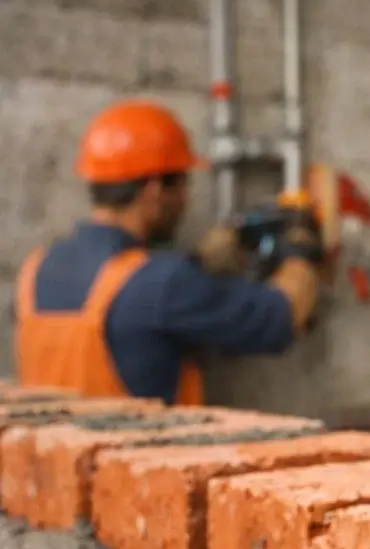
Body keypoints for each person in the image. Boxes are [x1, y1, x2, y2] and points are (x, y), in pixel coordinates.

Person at [13, 100, 322, 405]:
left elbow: (130, 303)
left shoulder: (36, 268)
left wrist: (198, 261)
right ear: (155, 190)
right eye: (182, 186)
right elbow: (280, 318)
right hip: (137, 455)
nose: (186, 200)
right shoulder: (164, 284)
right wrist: (300, 246)